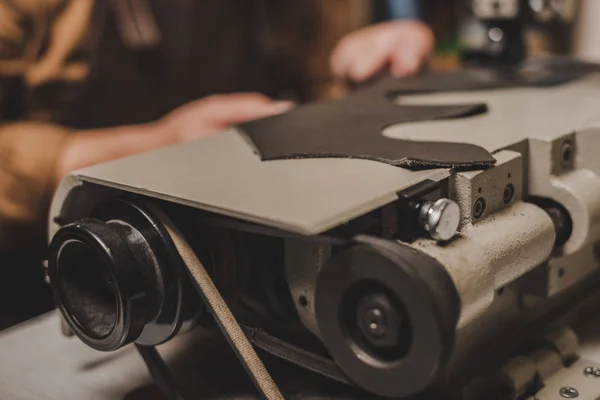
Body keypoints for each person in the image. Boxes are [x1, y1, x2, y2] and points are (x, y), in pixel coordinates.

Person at [0, 0, 433, 325]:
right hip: (74, 295)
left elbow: (317, 86)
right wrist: (156, 146)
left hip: (252, 282)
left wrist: (366, 80)